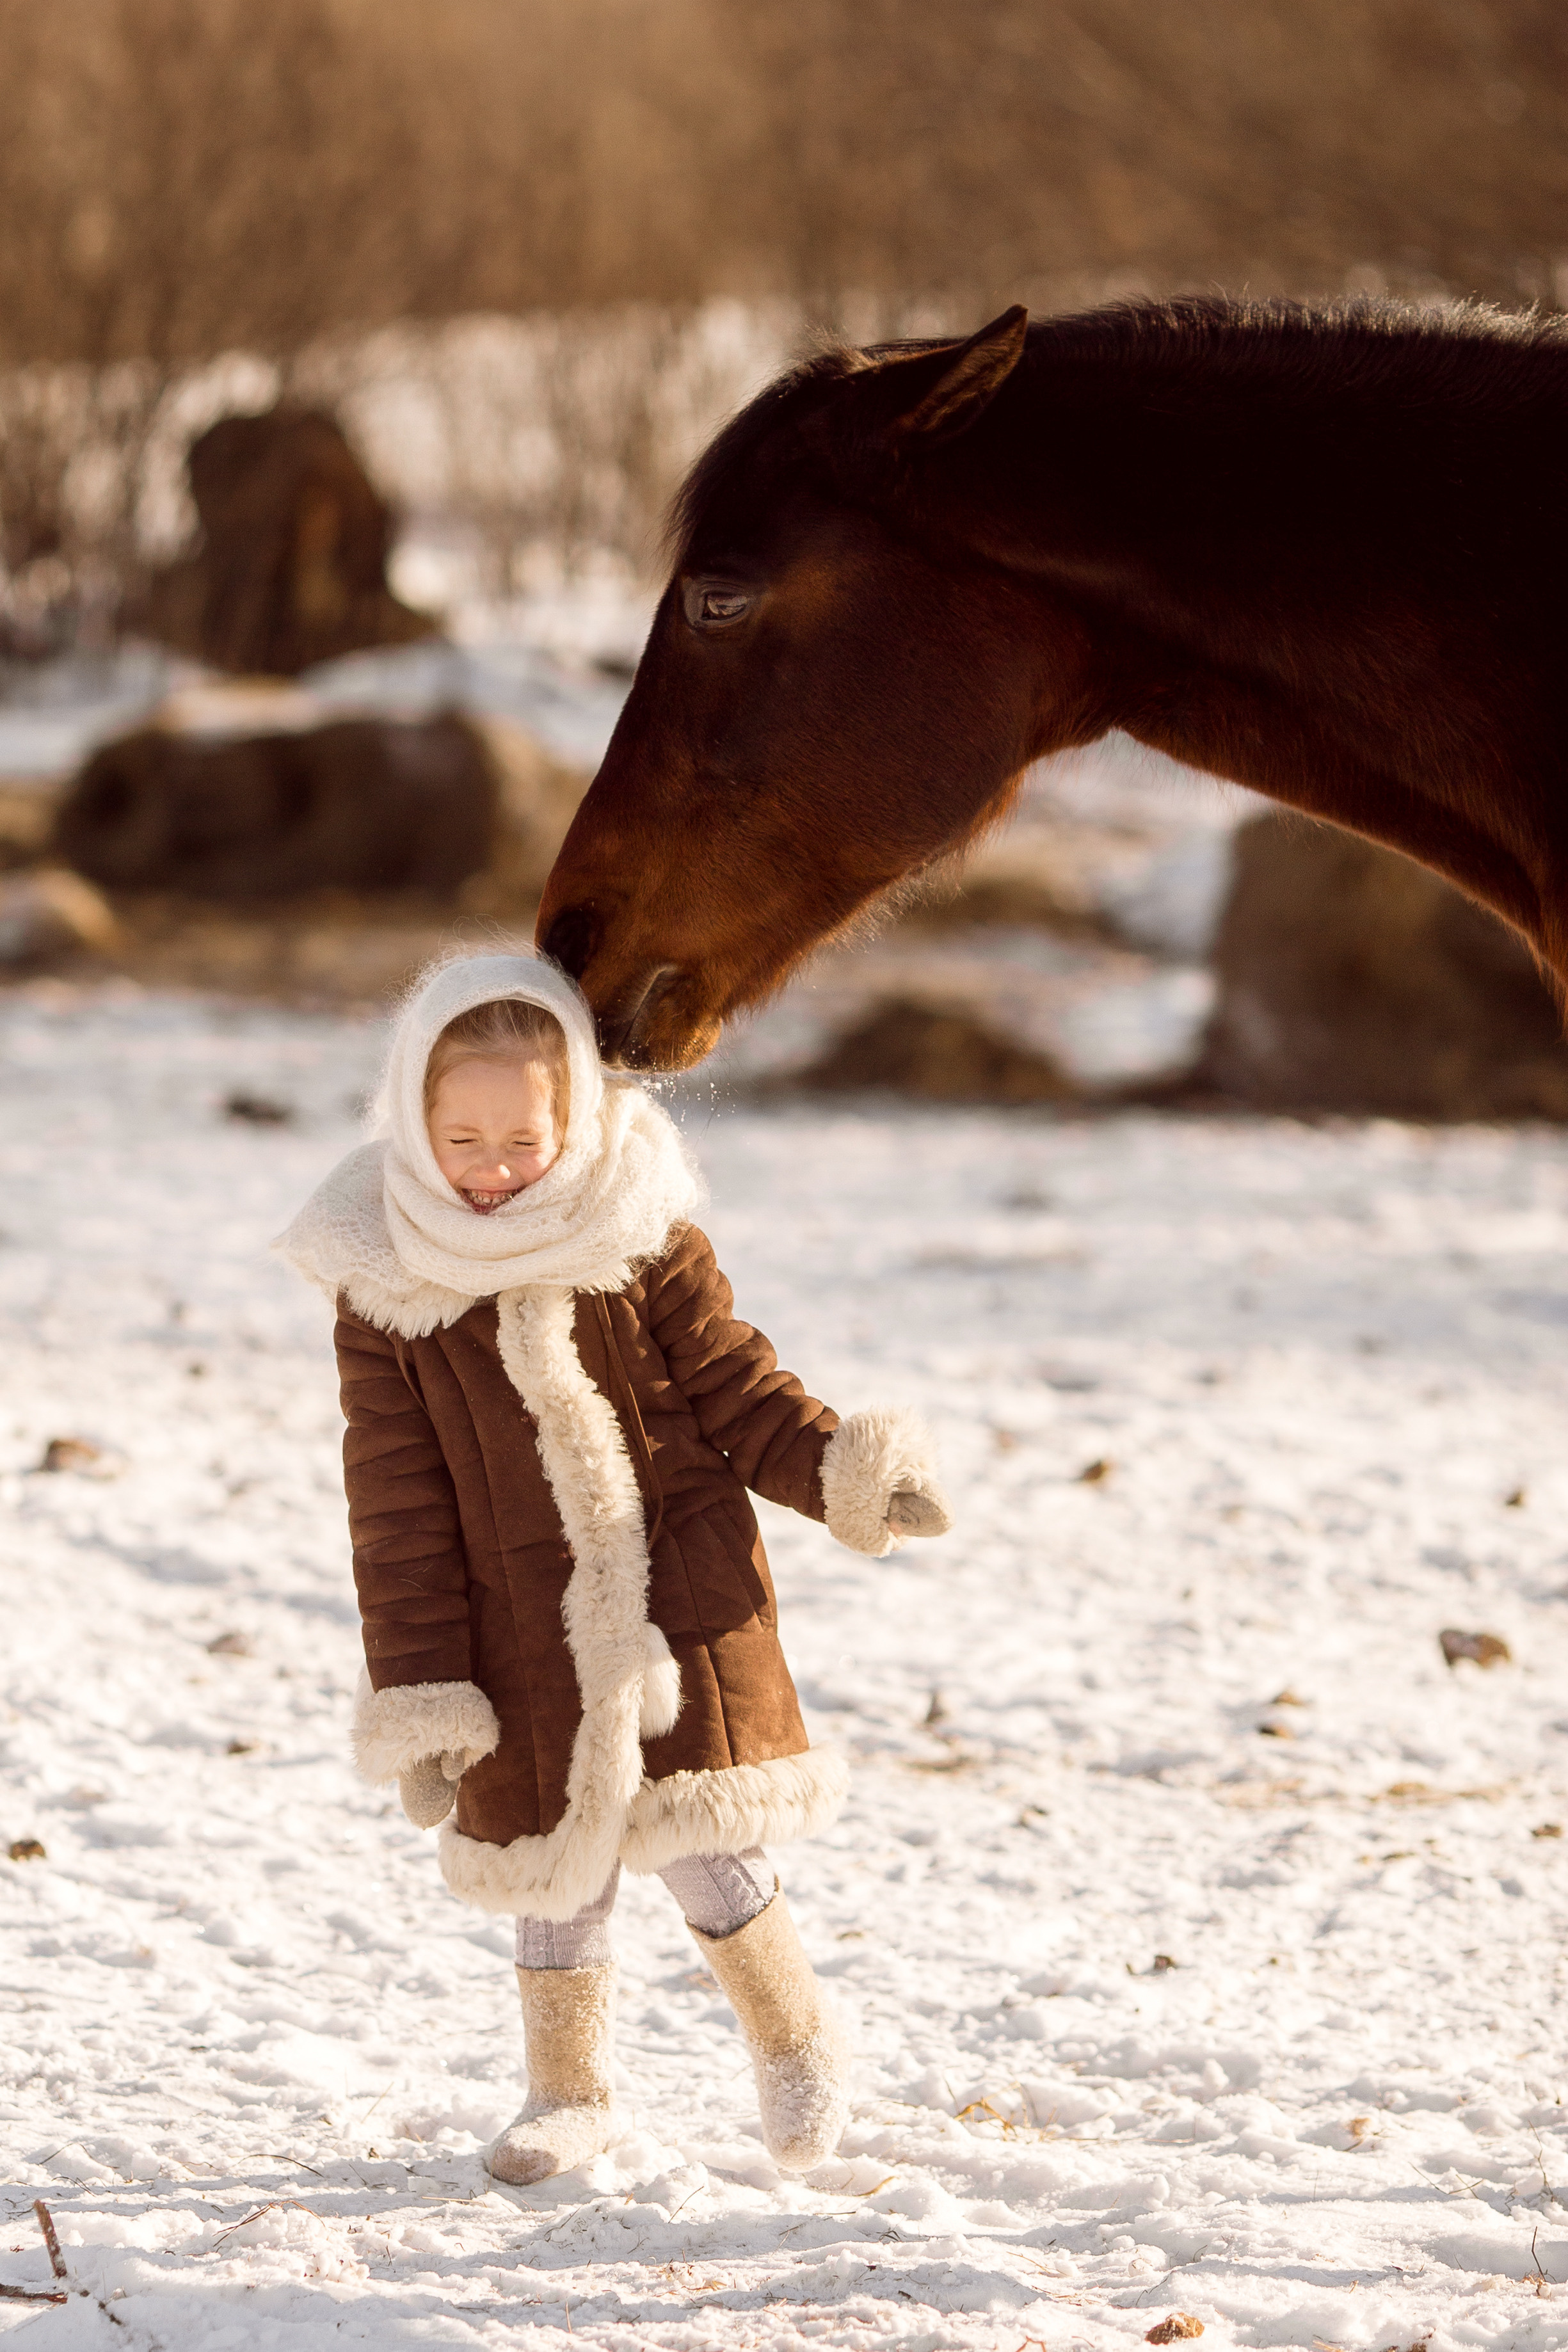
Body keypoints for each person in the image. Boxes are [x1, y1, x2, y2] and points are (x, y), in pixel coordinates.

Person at [279, 950, 952, 2185]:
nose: (492, 1169)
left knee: (704, 1842)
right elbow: (396, 1508)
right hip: (512, 1620)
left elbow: (743, 1393)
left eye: (523, 1141)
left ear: (578, 1120)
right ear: (414, 1124)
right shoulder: (386, 1287)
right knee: (553, 1863)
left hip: (676, 1594)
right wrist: (422, 1692)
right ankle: (568, 2092)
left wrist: (843, 1474)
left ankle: (795, 2037)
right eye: (462, 1140)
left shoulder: (640, 1240)